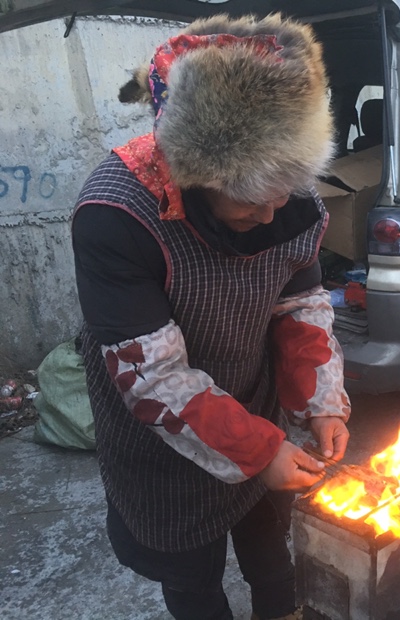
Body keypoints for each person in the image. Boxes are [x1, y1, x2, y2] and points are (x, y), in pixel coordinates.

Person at [71, 13, 351, 620]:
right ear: (199, 177)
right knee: (193, 578)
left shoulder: (287, 198)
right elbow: (156, 379)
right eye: (252, 201)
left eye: (286, 192)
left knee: (270, 553)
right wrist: (259, 451)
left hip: (250, 405)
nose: (274, 212)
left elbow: (300, 305)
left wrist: (320, 402)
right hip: (161, 439)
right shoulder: (116, 215)